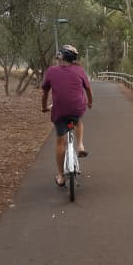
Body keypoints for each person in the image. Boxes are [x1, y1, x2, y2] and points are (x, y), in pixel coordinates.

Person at [41, 44, 93, 187]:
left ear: (61, 56)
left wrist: (44, 107)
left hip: (60, 111)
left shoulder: (51, 71)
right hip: (77, 108)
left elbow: (45, 93)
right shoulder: (79, 70)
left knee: (60, 142)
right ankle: (80, 145)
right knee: (78, 121)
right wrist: (90, 103)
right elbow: (88, 89)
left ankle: (61, 176)